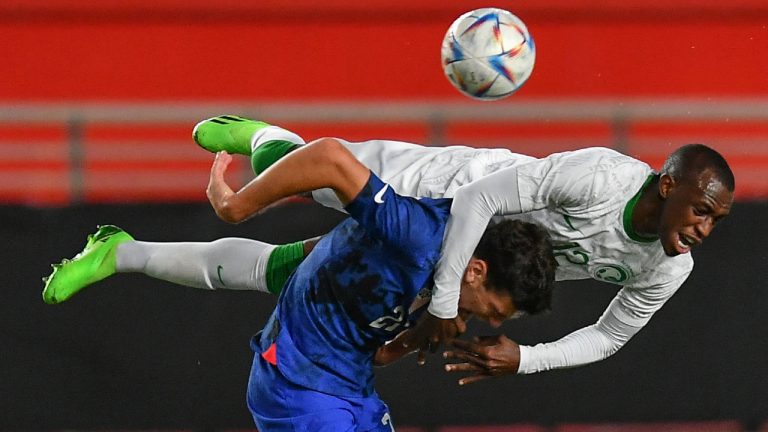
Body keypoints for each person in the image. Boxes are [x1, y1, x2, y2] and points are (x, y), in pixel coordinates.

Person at [43, 137, 558, 430]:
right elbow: (330, 157)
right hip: (299, 383)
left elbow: (379, 354)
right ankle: (258, 138)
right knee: (270, 260)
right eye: (496, 309)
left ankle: (123, 252)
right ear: (477, 269)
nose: (491, 323)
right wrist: (238, 206)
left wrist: (415, 337)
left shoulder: (451, 291)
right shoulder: (419, 234)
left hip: (351, 385)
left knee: (268, 267)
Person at [190, 114, 735, 380]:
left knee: (307, 272)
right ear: (667, 186)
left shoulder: (667, 269)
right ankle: (262, 137)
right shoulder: (600, 178)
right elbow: (478, 199)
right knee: (303, 174)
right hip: (439, 194)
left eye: (716, 220)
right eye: (700, 210)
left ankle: (127, 254)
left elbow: (610, 336)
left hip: (467, 264)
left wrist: (528, 359)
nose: (703, 230)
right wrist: (445, 305)